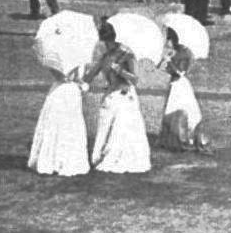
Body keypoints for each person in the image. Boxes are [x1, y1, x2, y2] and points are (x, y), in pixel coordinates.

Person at [85, 20, 151, 174]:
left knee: (122, 129)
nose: (107, 45)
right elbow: (91, 75)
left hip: (125, 94)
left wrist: (121, 70)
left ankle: (119, 157)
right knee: (104, 124)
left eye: (110, 41)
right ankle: (99, 156)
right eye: (105, 42)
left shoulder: (128, 55)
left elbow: (135, 79)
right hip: (110, 95)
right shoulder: (105, 57)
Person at [28, 63, 89, 176]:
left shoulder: (77, 61)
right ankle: (53, 161)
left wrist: (80, 82)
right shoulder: (58, 60)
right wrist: (72, 74)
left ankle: (66, 160)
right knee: (56, 124)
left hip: (71, 94)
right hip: (61, 93)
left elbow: (77, 79)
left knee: (70, 126)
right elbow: (63, 77)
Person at [158, 26, 210, 152]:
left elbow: (180, 72)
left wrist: (169, 62)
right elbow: (164, 68)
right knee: (170, 110)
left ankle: (184, 139)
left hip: (180, 85)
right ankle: (171, 139)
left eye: (170, 38)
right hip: (173, 84)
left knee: (180, 110)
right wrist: (163, 62)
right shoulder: (174, 52)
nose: (168, 42)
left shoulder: (186, 54)